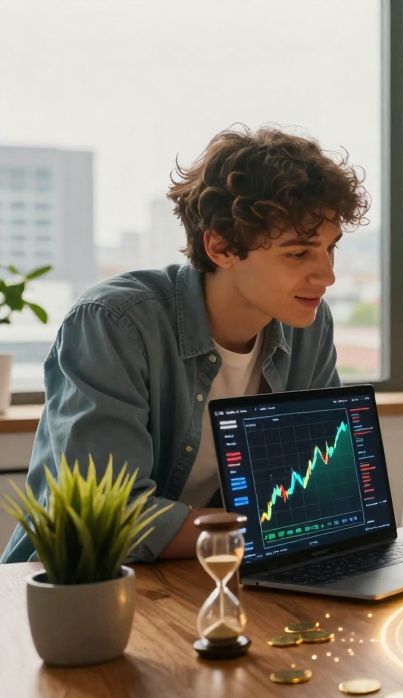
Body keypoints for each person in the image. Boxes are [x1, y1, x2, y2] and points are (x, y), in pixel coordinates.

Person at [3, 126, 367, 563]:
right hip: (81, 587)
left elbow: (320, 490)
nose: (326, 276)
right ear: (220, 246)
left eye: (331, 249)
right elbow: (108, 518)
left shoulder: (307, 322)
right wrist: (275, 528)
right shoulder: (114, 324)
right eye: (298, 254)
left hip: (210, 572)